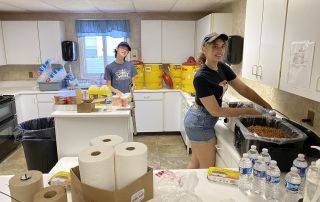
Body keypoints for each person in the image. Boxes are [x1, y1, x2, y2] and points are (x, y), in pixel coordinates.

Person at [184, 32, 272, 169]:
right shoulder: (201, 77)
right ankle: (197, 190)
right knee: (206, 168)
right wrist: (249, 111)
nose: (219, 51)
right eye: (214, 46)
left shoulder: (222, 67)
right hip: (200, 123)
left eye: (222, 46)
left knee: (196, 163)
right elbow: (215, 111)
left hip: (201, 120)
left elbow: (244, 90)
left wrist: (265, 105)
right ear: (204, 49)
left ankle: (187, 189)